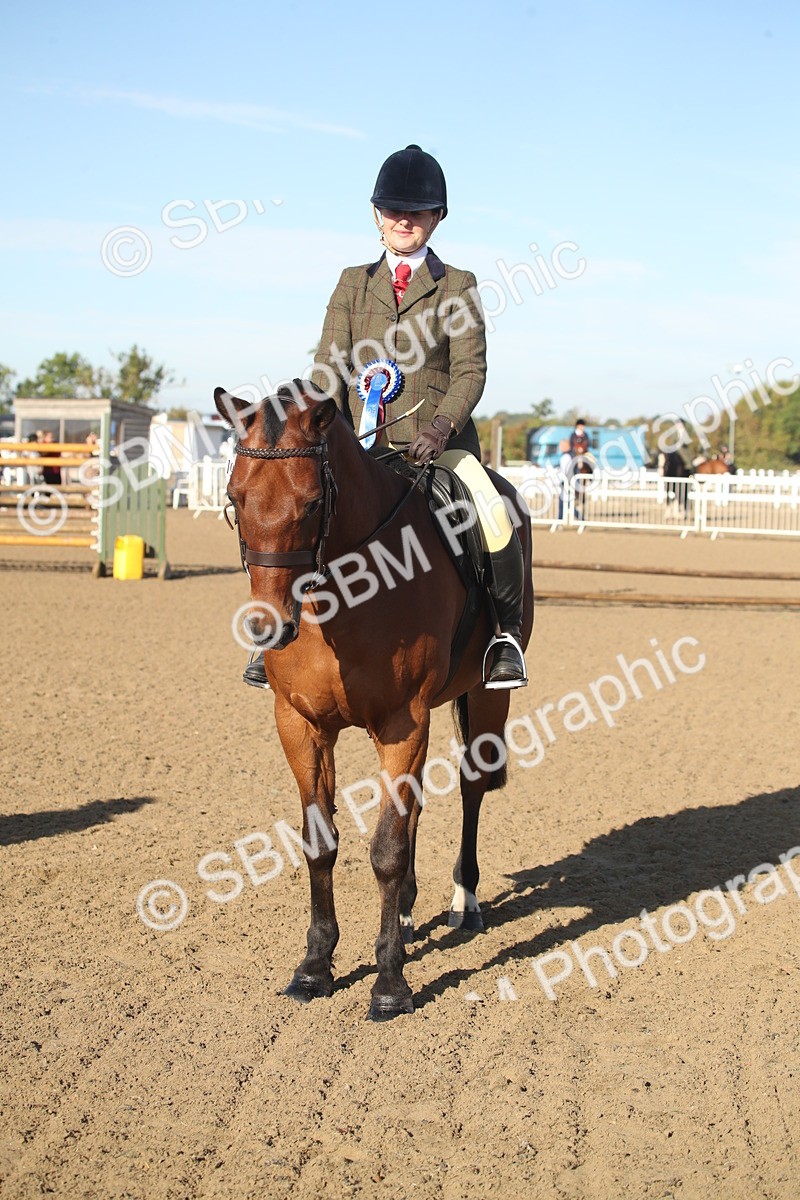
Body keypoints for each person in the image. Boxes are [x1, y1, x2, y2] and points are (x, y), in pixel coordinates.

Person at [243, 144, 528, 692]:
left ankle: (504, 638)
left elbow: (471, 370)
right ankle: (273, 635)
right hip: (356, 444)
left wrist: (440, 426)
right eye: (394, 210)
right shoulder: (353, 283)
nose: (404, 220)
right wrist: (311, 424)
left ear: (435, 218)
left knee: (492, 511)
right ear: (378, 215)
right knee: (295, 511)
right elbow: (329, 367)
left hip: (438, 446)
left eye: (416, 212)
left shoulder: (457, 285)